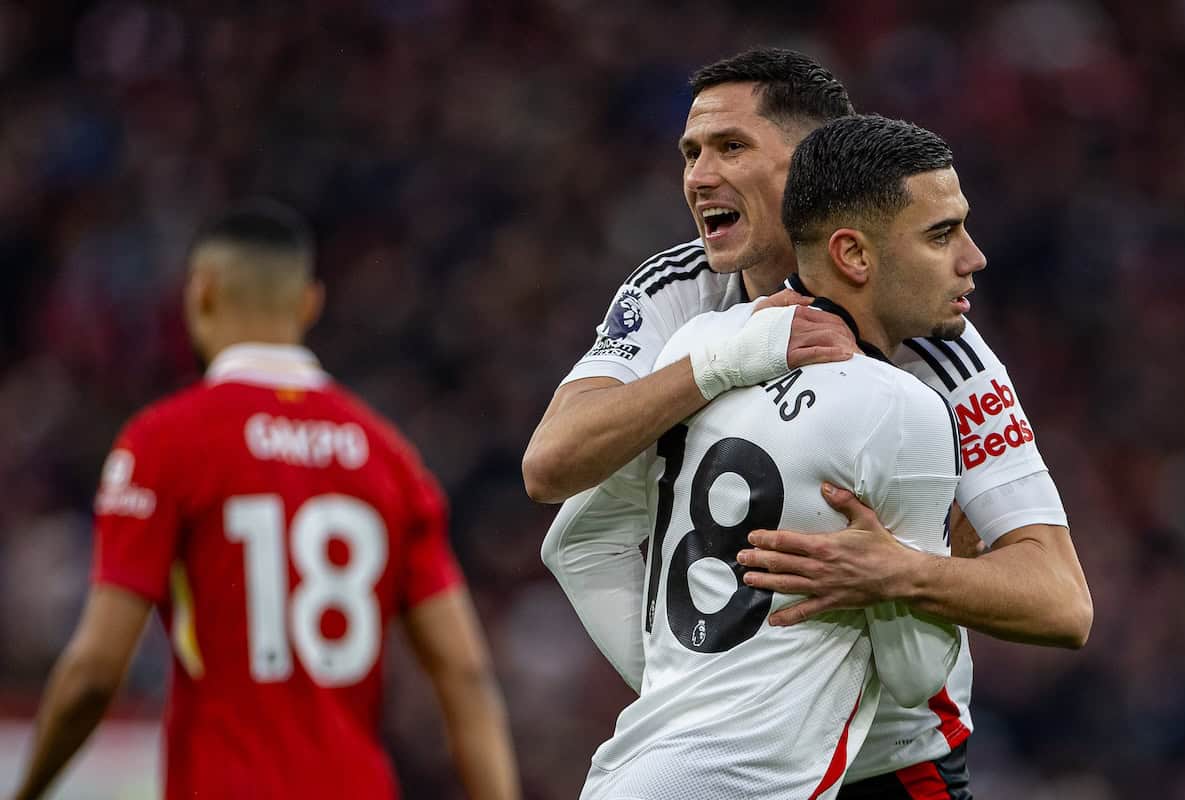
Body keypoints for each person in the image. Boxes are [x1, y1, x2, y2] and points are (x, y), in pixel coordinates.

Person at [534, 48, 1091, 799]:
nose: (699, 177)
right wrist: (699, 682)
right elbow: (551, 467)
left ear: (813, 167)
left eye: (731, 148)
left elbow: (1061, 599)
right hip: (729, 765)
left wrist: (906, 573)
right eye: (692, 153)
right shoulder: (680, 294)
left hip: (891, 761)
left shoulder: (936, 347)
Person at [11, 203, 520, 800]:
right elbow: (466, 674)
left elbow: (96, 672)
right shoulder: (389, 457)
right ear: (309, 304)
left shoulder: (163, 442)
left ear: (200, 294)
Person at [580, 114, 976, 800]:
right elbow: (915, 679)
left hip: (632, 768)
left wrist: (682, 681)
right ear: (853, 255)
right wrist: (906, 576)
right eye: (942, 235)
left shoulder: (695, 349)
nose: (972, 257)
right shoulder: (904, 408)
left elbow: (578, 544)